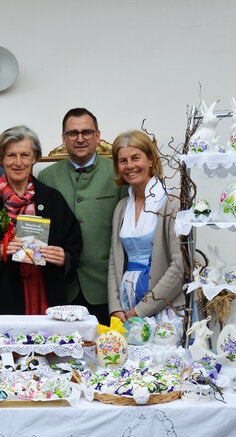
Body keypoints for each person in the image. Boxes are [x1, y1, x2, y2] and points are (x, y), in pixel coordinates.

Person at [0, 125, 81, 315]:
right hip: (5, 295)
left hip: (46, 290)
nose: (18, 162)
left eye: (25, 155)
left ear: (34, 158)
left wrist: (63, 258)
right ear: (1, 159)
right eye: (11, 155)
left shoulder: (52, 198)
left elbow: (73, 243)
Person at [38, 108, 126, 324]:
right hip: (62, 286)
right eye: (72, 133)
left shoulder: (117, 173)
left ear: (98, 136)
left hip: (104, 286)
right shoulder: (47, 176)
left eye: (86, 132)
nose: (80, 139)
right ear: (63, 139)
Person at [107, 130, 184, 320]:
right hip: (127, 309)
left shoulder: (172, 202)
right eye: (123, 161)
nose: (130, 166)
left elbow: (180, 265)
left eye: (136, 158)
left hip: (165, 307)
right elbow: (113, 260)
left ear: (150, 160)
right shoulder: (121, 207)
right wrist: (115, 307)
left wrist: (141, 310)